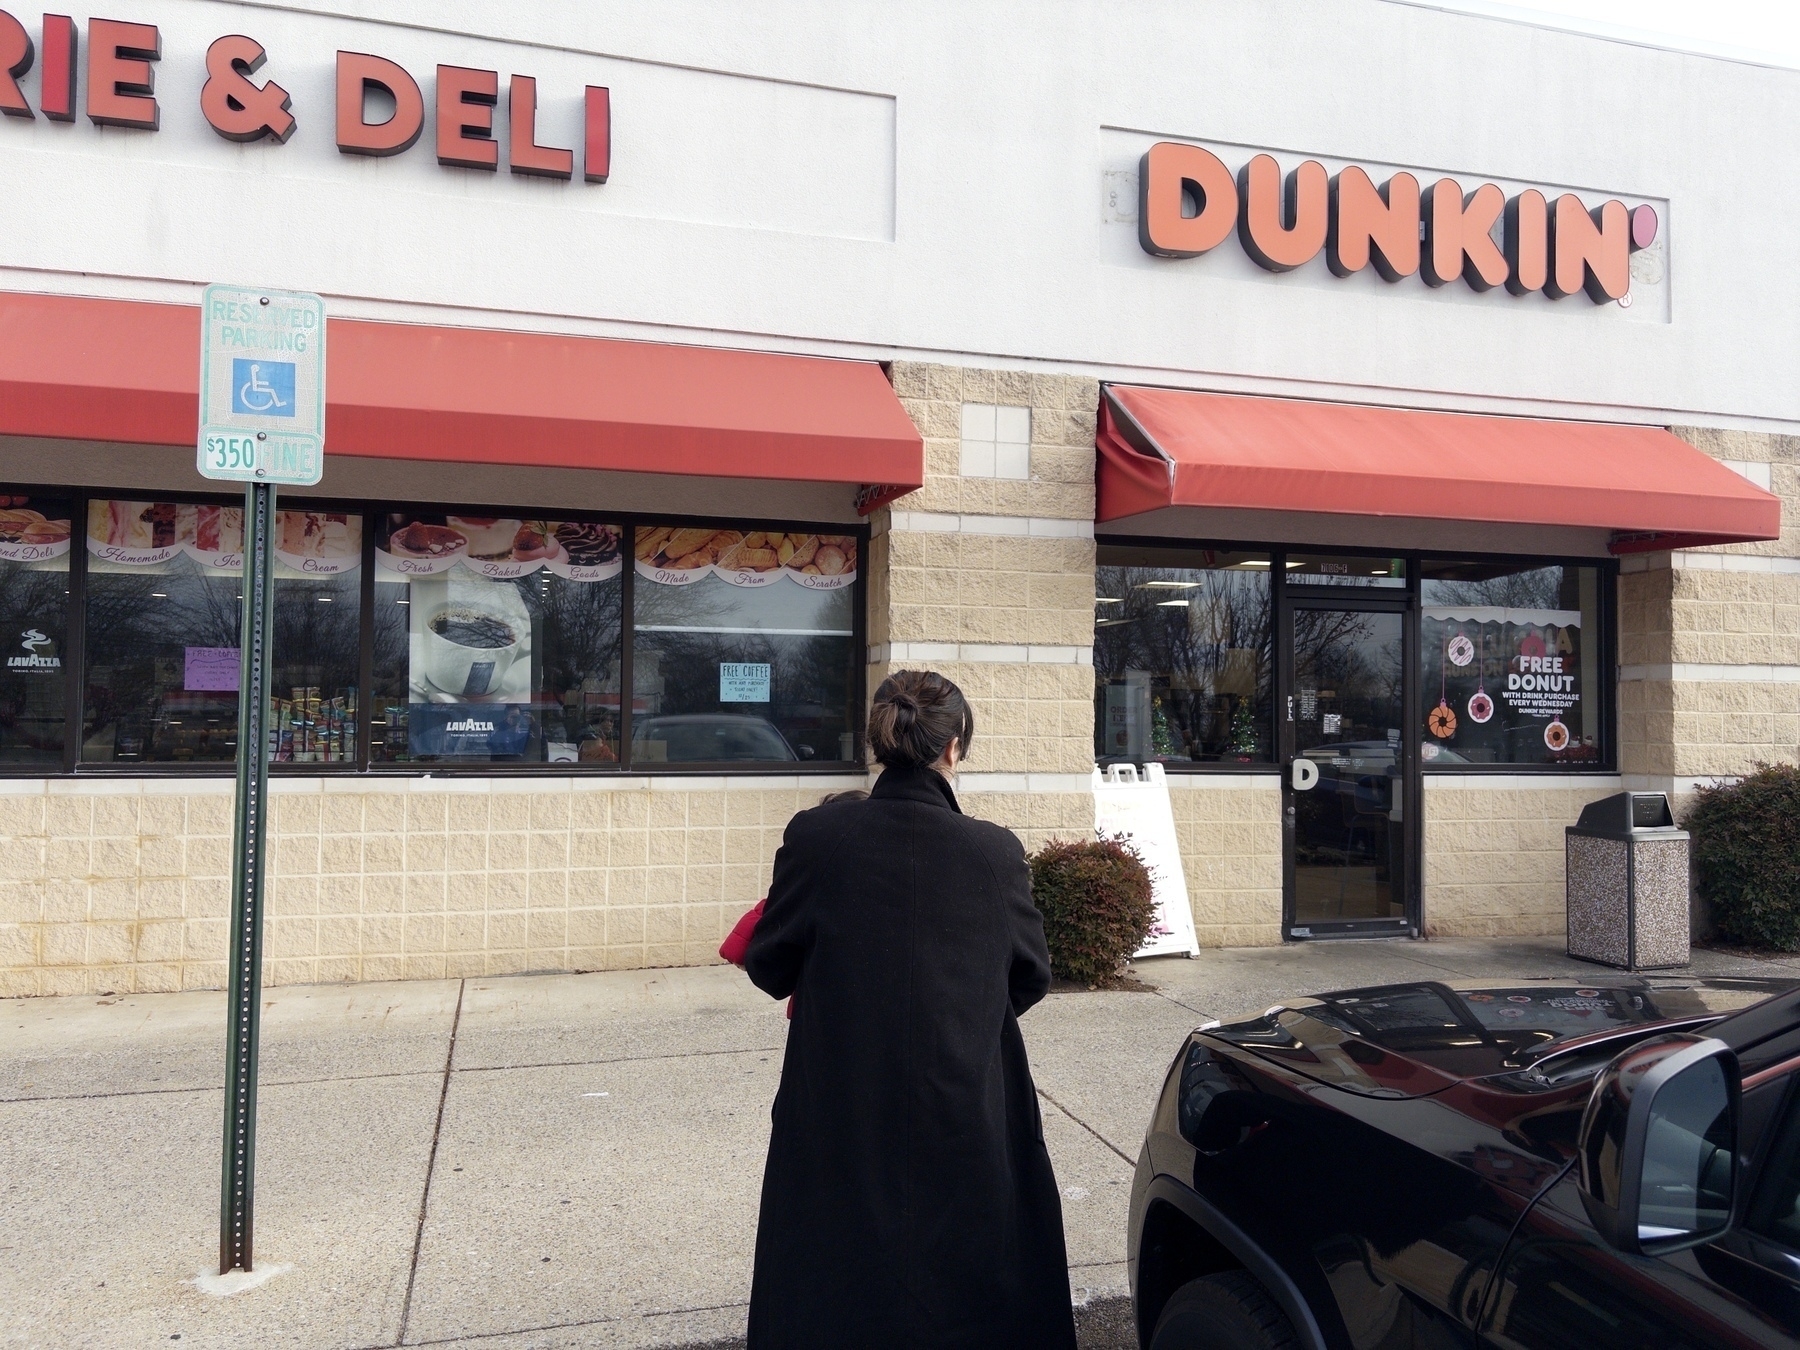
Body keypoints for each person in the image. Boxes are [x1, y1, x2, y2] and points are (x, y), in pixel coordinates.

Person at [743, 671, 1076, 1349]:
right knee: (973, 1282)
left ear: (878, 740)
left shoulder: (818, 835)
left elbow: (770, 964)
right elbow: (1030, 977)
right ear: (955, 748)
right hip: (964, 1103)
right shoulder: (994, 852)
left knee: (832, 1281)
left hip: (839, 1100)